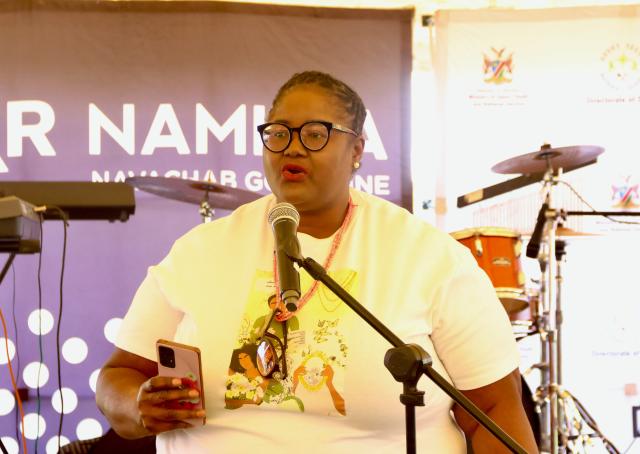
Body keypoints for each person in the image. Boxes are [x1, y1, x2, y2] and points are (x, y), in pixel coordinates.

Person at [96, 70, 538, 453]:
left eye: (315, 134)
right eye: (278, 133)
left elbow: (495, 411)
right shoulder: (198, 252)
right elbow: (117, 377)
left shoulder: (431, 259)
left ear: (358, 150)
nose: (292, 148)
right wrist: (138, 405)